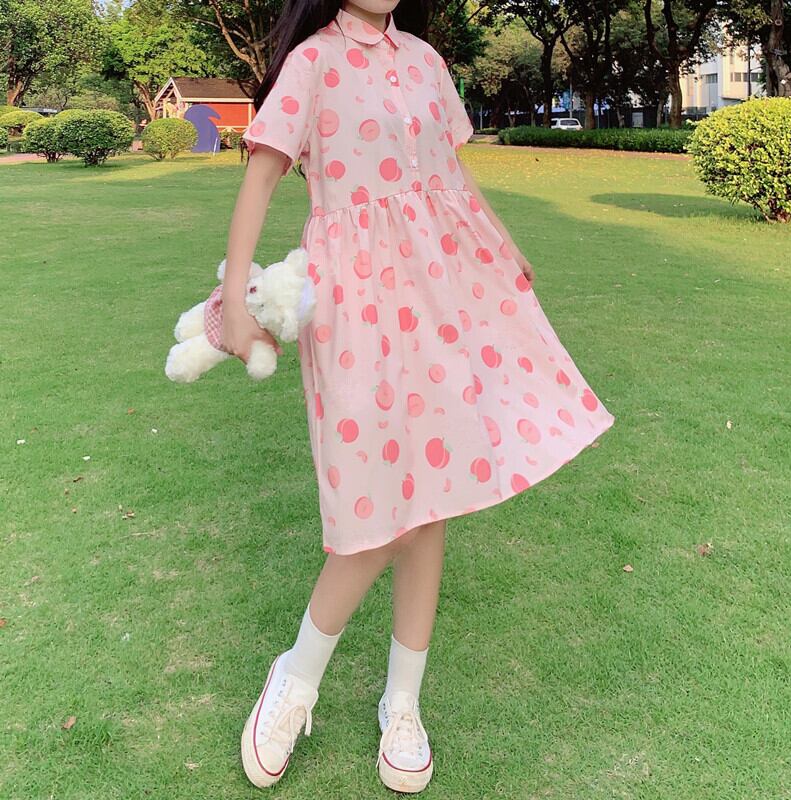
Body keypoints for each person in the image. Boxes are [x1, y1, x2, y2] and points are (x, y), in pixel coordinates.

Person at [221, 0, 616, 792]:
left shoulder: (427, 63)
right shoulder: (314, 63)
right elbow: (261, 174)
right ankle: (296, 677)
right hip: (356, 304)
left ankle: (402, 703)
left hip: (443, 290)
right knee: (372, 507)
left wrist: (505, 245)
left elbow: (453, 175)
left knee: (433, 497)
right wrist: (235, 299)